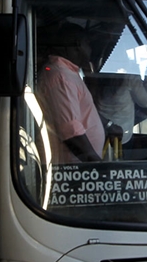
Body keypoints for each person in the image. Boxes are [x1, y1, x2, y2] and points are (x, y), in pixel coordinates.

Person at [35, 22, 105, 163]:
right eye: (88, 44)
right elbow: (71, 131)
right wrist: (97, 167)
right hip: (72, 171)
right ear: (78, 44)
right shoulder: (61, 76)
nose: (90, 49)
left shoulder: (68, 73)